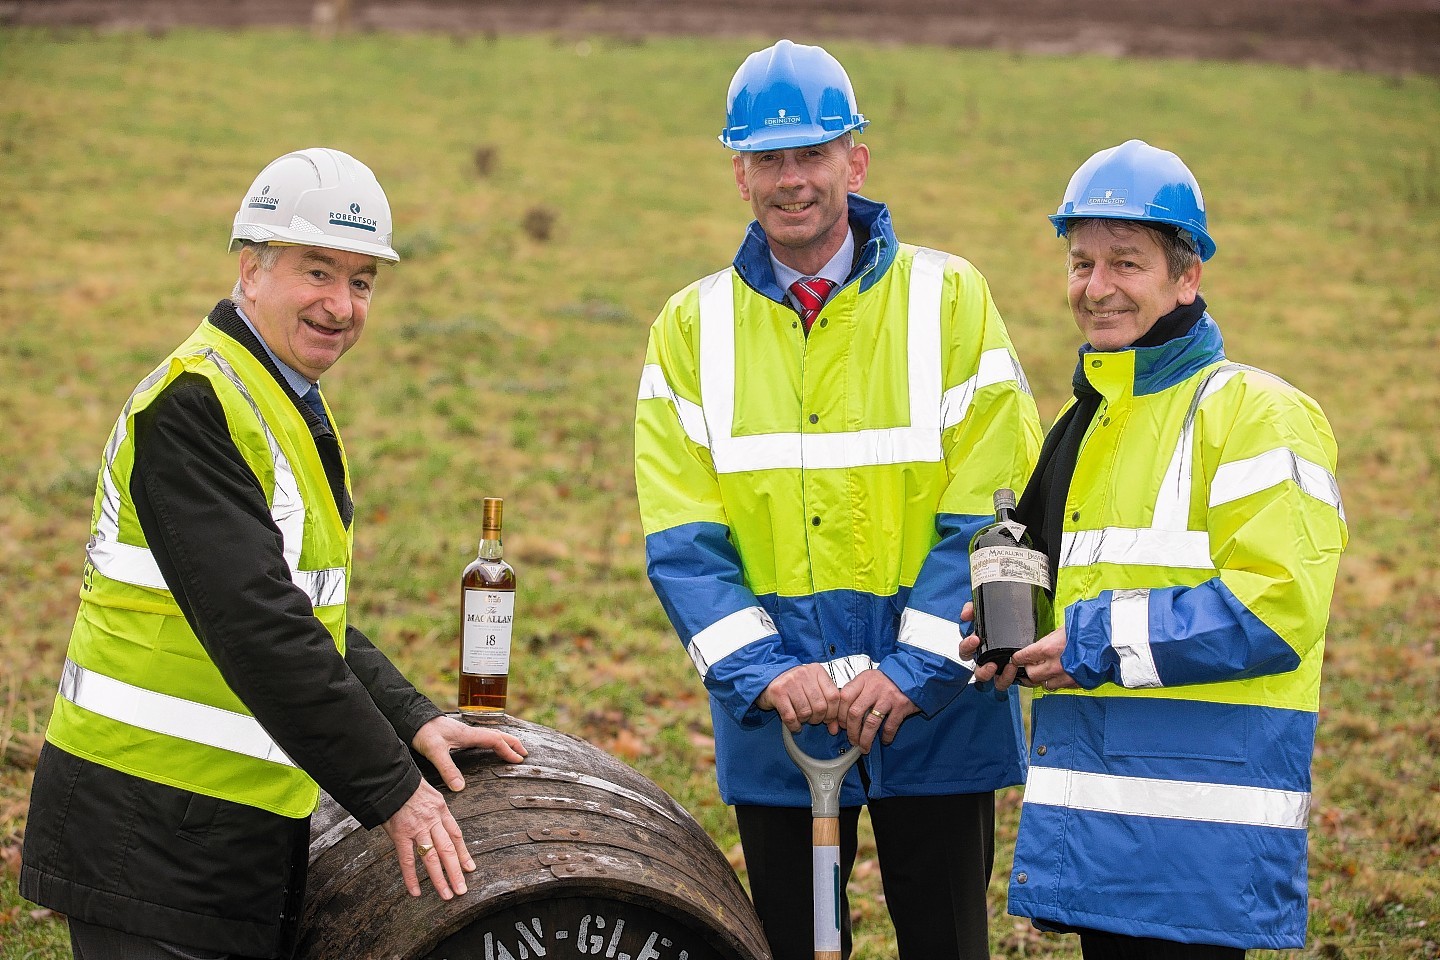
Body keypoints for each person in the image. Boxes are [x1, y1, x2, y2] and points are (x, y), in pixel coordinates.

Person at [21, 147, 528, 960]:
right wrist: (394, 790)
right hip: (147, 832)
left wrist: (413, 719)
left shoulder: (282, 399)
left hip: (220, 833)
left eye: (361, 282)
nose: (341, 304)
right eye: (317, 272)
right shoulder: (194, 406)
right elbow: (257, 624)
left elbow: (306, 611)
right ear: (251, 269)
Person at [633, 39, 1042, 960]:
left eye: (811, 155)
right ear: (740, 174)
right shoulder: (691, 330)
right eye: (769, 160)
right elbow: (682, 537)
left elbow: (996, 511)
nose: (792, 180)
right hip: (786, 715)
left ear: (854, 161)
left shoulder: (950, 298)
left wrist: (915, 671)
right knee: (795, 941)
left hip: (936, 709)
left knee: (945, 939)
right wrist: (771, 674)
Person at [961, 139, 1349, 958]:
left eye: (1126, 264)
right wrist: (1016, 637)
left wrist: (1092, 640)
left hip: (1196, 844)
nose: (1096, 288)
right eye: (1081, 263)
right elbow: (1101, 583)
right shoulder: (1092, 419)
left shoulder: (1255, 413)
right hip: (1106, 828)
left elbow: (1277, 608)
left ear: (1187, 276)